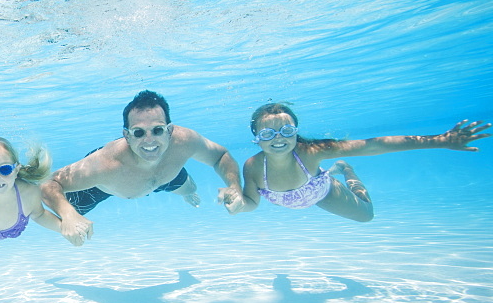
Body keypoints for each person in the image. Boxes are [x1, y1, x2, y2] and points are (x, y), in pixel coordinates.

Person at [41, 90, 246, 245]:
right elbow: (48, 183)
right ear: (126, 135)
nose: (150, 141)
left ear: (170, 130)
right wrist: (67, 214)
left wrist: (234, 186)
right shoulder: (104, 165)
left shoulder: (184, 142)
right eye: (139, 133)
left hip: (165, 172)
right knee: (67, 220)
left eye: (157, 130)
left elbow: (221, 155)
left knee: (191, 189)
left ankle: (183, 192)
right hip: (107, 184)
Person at [238, 102, 490, 221]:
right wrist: (234, 201)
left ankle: (346, 169)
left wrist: (440, 140)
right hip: (297, 197)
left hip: (320, 191)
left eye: (287, 131)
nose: (278, 139)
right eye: (268, 133)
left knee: (366, 215)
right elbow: (250, 203)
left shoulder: (311, 152)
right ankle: (339, 169)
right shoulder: (251, 167)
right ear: (256, 139)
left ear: (296, 131)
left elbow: (374, 145)